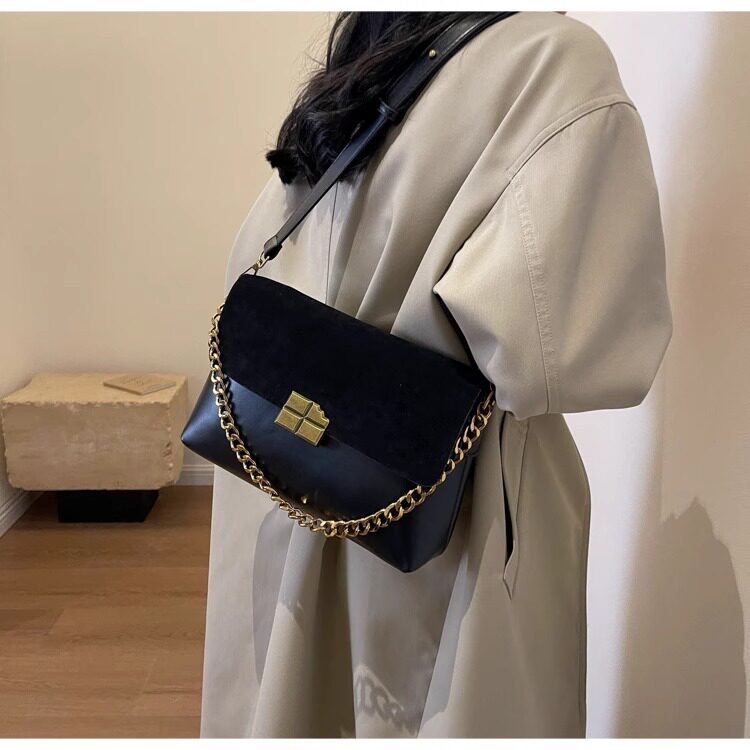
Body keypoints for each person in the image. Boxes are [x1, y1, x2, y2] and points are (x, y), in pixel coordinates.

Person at [199, 11, 673, 738]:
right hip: (450, 505)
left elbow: (265, 250)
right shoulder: (555, 61)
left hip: (277, 474)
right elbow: (563, 354)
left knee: (295, 695)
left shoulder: (375, 42)